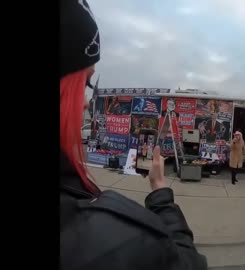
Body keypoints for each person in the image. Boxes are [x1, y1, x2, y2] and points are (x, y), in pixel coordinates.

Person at [60, 1, 207, 269]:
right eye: (84, 82)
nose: (84, 102)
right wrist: (161, 192)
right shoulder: (116, 240)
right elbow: (188, 262)